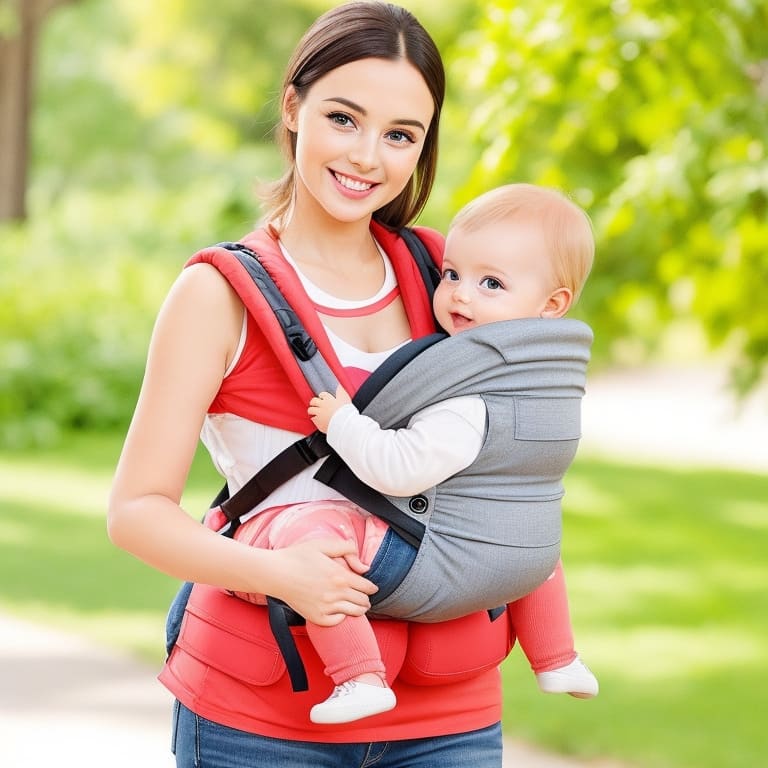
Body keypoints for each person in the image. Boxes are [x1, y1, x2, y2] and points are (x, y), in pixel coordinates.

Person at [108, 3, 516, 766]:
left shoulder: (447, 278)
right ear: (293, 108)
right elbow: (135, 512)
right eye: (344, 118)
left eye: (401, 135)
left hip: (448, 710)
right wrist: (278, 573)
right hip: (262, 716)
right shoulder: (219, 294)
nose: (368, 156)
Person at [228, 183, 597, 725]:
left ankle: (357, 676)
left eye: (490, 283)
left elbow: (397, 469)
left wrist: (343, 423)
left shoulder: (470, 398)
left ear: (552, 305)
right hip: (526, 559)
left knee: (315, 532)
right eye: (452, 274)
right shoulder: (550, 387)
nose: (459, 295)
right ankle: (557, 657)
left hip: (435, 566)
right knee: (528, 534)